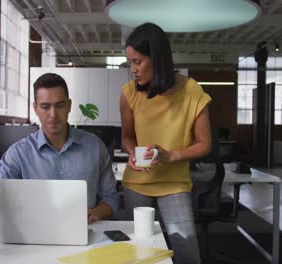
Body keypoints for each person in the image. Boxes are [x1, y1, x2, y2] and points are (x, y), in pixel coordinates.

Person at [120, 23, 212, 264]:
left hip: (174, 183)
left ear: (157, 59)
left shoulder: (192, 91)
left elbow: (204, 144)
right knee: (140, 254)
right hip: (136, 182)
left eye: (137, 62)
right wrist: (131, 154)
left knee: (187, 252)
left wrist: (170, 156)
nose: (133, 70)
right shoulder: (129, 93)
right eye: (130, 62)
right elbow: (127, 137)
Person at [0, 73, 119, 224]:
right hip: (34, 232)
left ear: (69, 106)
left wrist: (95, 213)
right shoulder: (18, 153)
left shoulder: (95, 147)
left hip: (86, 230)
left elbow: (111, 197)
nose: (53, 115)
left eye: (60, 105)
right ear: (35, 108)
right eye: (45, 107)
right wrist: (10, 217)